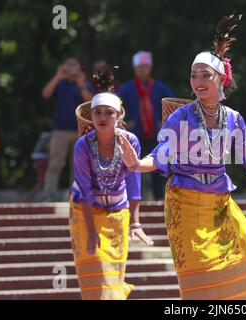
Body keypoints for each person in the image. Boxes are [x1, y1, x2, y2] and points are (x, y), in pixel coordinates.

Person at [118, 14, 246, 300]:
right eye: (194, 75)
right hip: (185, 203)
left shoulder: (233, 119)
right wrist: (136, 164)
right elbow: (161, 156)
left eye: (205, 75)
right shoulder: (181, 117)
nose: (198, 81)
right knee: (200, 283)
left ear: (221, 79)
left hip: (219, 205)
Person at [69, 67, 153, 300]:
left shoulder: (130, 142)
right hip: (84, 211)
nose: (103, 118)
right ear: (92, 116)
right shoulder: (83, 146)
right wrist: (90, 230)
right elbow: (85, 190)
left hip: (117, 212)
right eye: (98, 113)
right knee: (93, 272)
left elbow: (134, 183)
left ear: (118, 116)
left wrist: (135, 223)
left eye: (108, 113)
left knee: (113, 273)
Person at [117, 51, 173, 200]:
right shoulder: (126, 89)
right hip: (134, 135)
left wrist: (165, 123)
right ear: (135, 69)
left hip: (156, 134)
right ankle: (133, 198)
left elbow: (173, 108)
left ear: (150, 68)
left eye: (145, 67)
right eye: (140, 67)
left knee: (158, 166)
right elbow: (114, 109)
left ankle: (160, 198)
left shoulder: (160, 88)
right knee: (131, 166)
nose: (143, 70)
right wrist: (123, 123)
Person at [41, 57, 94, 201]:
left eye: (74, 64)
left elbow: (91, 103)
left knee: (77, 165)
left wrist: (81, 84)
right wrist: (58, 76)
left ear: (79, 67)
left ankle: (75, 196)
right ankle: (48, 194)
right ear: (63, 66)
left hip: (80, 131)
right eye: (68, 64)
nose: (71, 67)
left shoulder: (84, 84)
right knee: (55, 164)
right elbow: (45, 94)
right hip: (60, 130)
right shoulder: (59, 83)